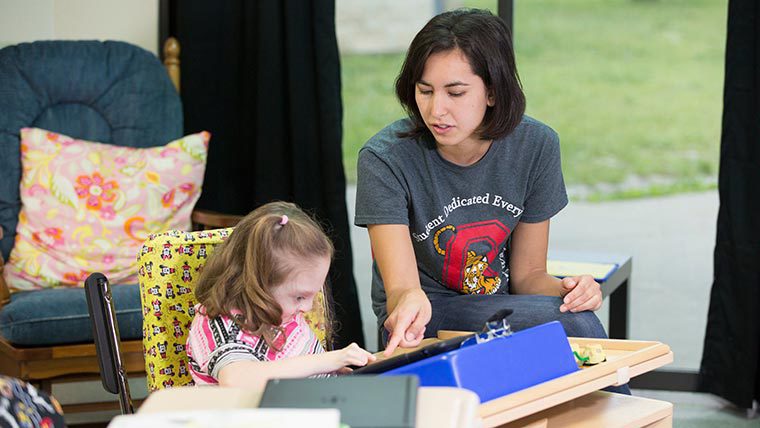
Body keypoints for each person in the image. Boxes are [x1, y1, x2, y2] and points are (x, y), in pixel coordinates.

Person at [355, 8, 617, 371]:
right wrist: (409, 300)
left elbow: (528, 277)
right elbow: (401, 290)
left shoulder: (536, 146)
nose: (436, 110)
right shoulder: (384, 159)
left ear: (493, 92)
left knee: (573, 317)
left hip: (501, 306)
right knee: (574, 325)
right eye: (425, 91)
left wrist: (570, 290)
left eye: (455, 92)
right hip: (422, 314)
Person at [186, 201, 375, 389]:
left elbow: (295, 367)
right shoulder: (221, 326)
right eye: (299, 297)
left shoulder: (280, 313)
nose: (307, 308)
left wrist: (330, 370)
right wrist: (328, 360)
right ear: (257, 283)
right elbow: (236, 379)